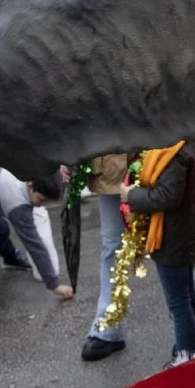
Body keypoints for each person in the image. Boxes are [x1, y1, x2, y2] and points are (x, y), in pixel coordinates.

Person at [119, 141, 195, 362]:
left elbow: (167, 196)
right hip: (188, 233)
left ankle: (186, 357)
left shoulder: (175, 149)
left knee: (180, 304)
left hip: (174, 238)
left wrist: (131, 197)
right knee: (188, 296)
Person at [0, 169, 74, 308]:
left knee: (0, 227)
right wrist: (54, 285)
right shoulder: (19, 208)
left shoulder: (27, 172)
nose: (42, 205)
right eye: (41, 200)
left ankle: (10, 258)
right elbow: (35, 245)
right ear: (30, 187)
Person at [81, 153, 134, 361]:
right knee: (112, 245)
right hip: (111, 164)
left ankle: (193, 324)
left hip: (156, 157)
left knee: (168, 240)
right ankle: (108, 326)